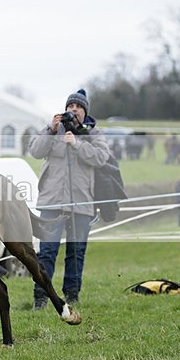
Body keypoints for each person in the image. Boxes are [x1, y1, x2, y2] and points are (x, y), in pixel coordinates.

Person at [28, 89, 110, 308]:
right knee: (46, 251)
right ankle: (41, 297)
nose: (74, 110)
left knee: (76, 252)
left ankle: (72, 295)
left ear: (85, 112)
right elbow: (34, 150)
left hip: (82, 202)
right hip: (52, 201)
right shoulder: (53, 130)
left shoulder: (94, 134)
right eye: (71, 106)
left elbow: (102, 158)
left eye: (79, 107)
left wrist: (78, 144)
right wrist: (50, 129)